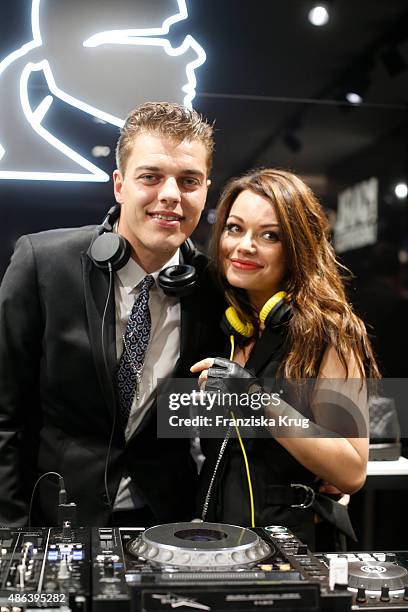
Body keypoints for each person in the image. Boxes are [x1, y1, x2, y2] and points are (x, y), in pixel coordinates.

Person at [0, 101, 224, 527]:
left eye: (188, 181)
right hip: (50, 519)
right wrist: (9, 535)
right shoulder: (42, 264)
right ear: (120, 185)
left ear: (205, 190)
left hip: (167, 524)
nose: (171, 196)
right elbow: (3, 417)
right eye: (151, 177)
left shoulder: (215, 290)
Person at [191, 168, 380, 548]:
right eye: (234, 228)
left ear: (296, 247)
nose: (244, 245)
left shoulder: (329, 332)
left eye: (269, 235)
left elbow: (351, 470)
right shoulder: (228, 330)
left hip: (293, 549)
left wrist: (254, 398)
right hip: (219, 541)